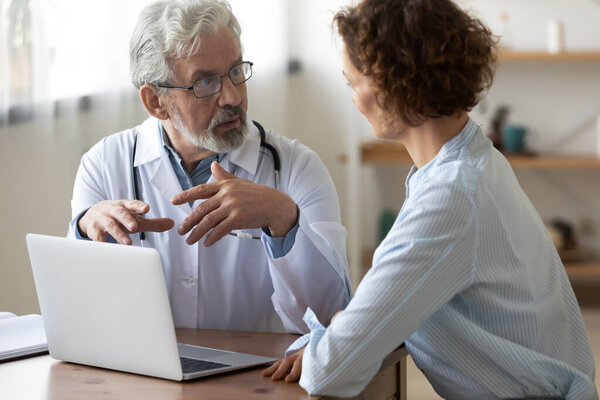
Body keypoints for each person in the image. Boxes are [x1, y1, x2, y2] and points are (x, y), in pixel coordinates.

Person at [264, 0, 598, 399]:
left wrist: (336, 329)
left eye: (354, 83)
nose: (353, 98)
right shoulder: (473, 162)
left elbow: (329, 370)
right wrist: (346, 325)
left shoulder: (451, 196)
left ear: (395, 84)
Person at [67, 0, 351, 334]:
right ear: (156, 102)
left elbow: (333, 320)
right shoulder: (103, 167)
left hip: (263, 381)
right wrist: (84, 231)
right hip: (147, 379)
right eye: (205, 83)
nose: (232, 97)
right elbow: (78, 317)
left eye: (235, 71)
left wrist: (283, 219)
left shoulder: (296, 169)